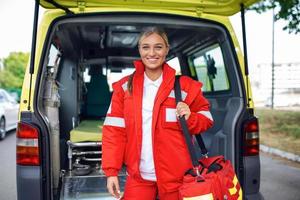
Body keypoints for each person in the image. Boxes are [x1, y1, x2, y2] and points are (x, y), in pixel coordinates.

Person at [102, 26, 214, 200]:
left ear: (167, 49)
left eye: (158, 47)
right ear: (139, 49)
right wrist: (111, 172)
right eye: (145, 47)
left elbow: (207, 119)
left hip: (179, 178)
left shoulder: (186, 86)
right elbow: (113, 132)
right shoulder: (124, 88)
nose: (152, 53)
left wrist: (191, 117)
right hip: (139, 177)